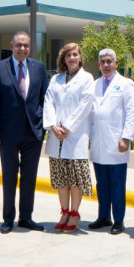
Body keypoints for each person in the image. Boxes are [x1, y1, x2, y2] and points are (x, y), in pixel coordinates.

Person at [0, 31, 49, 234]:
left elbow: (43, 99)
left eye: (26, 45)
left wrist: (43, 126)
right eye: (19, 45)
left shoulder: (39, 68)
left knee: (29, 177)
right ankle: (8, 218)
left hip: (33, 133)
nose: (22, 49)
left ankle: (26, 218)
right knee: (9, 177)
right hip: (8, 133)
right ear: (11, 45)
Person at [43, 43, 95, 233]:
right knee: (61, 178)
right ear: (63, 59)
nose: (72, 58)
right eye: (68, 56)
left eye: (75, 55)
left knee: (75, 178)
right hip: (56, 135)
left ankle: (74, 213)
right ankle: (64, 212)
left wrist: (67, 127)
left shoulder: (87, 78)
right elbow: (48, 102)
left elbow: (85, 105)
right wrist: (52, 126)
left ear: (80, 58)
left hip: (75, 134)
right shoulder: (56, 79)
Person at [88, 49, 134, 235]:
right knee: (102, 183)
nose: (106, 65)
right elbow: (91, 113)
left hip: (117, 142)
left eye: (109, 61)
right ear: (99, 65)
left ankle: (119, 220)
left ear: (116, 63)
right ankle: (103, 216)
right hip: (99, 141)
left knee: (117, 183)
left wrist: (126, 137)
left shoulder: (126, 84)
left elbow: (132, 112)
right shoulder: (95, 84)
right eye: (103, 62)